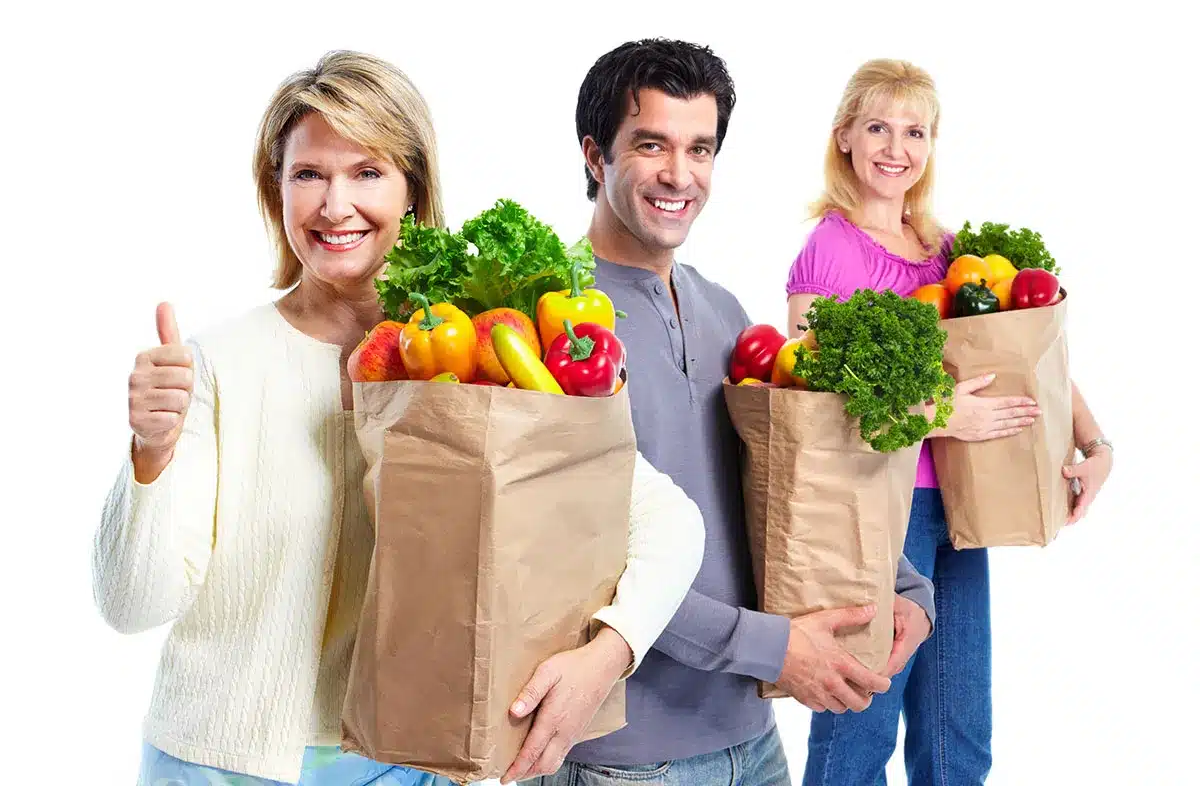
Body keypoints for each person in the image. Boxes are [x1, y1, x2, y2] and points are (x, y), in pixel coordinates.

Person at [92, 49, 706, 786]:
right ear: (276, 191)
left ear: (413, 190)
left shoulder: (482, 350)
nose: (334, 205)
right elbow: (132, 606)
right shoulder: (219, 362)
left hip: (411, 760)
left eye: (367, 173)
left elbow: (668, 523)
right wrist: (151, 453)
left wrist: (606, 656)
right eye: (308, 174)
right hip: (219, 760)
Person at [516, 39, 936, 786]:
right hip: (625, 758)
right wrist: (772, 649)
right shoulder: (546, 324)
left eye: (700, 149)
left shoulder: (722, 311)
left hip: (753, 738)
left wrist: (901, 583)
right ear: (594, 155)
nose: (680, 175)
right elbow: (585, 560)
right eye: (651, 145)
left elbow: (789, 483)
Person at [785, 58, 1115, 785]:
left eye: (915, 131)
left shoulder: (945, 248)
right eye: (877, 126)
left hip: (963, 505)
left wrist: (1097, 445)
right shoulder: (828, 251)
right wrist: (940, 415)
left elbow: (1031, 351)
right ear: (844, 137)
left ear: (932, 145)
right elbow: (809, 398)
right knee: (859, 725)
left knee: (958, 730)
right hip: (877, 511)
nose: (895, 148)